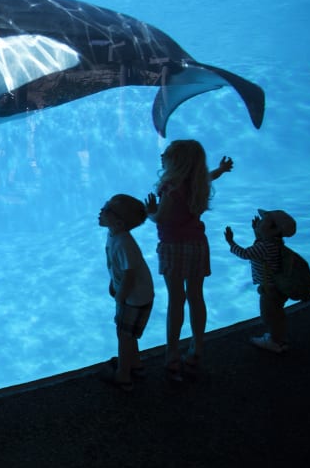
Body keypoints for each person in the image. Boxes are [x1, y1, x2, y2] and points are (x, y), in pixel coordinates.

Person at [144, 140, 233, 381]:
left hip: (174, 248)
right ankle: (197, 348)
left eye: (168, 155)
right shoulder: (196, 182)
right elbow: (209, 176)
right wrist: (221, 170)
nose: (162, 156)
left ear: (177, 163)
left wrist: (150, 211)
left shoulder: (172, 188)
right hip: (197, 245)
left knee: (176, 300)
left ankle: (172, 355)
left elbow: (162, 218)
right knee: (196, 297)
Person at [98, 194, 154, 392]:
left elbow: (130, 274)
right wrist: (114, 284)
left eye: (107, 209)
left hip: (134, 298)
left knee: (124, 335)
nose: (101, 210)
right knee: (128, 334)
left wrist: (121, 296)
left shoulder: (123, 243)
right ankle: (135, 364)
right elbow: (117, 267)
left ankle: (123, 376)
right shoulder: (113, 234)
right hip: (134, 294)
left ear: (119, 222)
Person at [224, 209, 296, 353]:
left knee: (269, 315)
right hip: (278, 288)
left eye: (264, 222)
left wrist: (231, 242)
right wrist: (257, 232)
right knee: (278, 313)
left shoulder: (264, 247)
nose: (260, 222)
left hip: (269, 290)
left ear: (273, 230)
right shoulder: (275, 243)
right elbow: (262, 243)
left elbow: (246, 254)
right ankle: (280, 338)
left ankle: (274, 342)